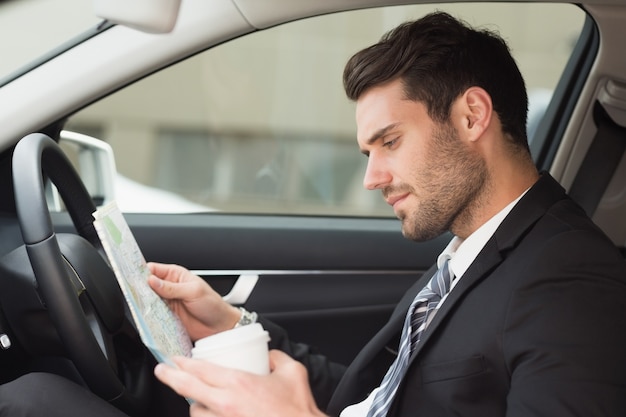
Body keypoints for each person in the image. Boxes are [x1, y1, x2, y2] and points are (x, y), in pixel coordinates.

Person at [1, 10, 625, 417]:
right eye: (367, 150)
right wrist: (228, 326)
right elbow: (370, 392)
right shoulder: (474, 247)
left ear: (471, 116)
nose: (372, 177)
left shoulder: (572, 284)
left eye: (389, 142)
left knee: (30, 404)